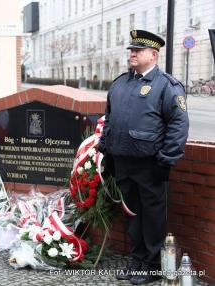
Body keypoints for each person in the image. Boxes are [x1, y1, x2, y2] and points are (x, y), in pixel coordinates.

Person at [99, 30, 189, 285]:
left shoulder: (167, 86)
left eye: (138, 50)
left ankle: (151, 266)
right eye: (131, 50)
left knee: (152, 217)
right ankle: (136, 261)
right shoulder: (120, 83)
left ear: (153, 54)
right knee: (132, 215)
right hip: (123, 163)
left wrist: (166, 160)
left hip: (151, 165)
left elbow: (178, 125)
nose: (132, 53)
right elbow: (109, 120)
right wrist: (106, 151)